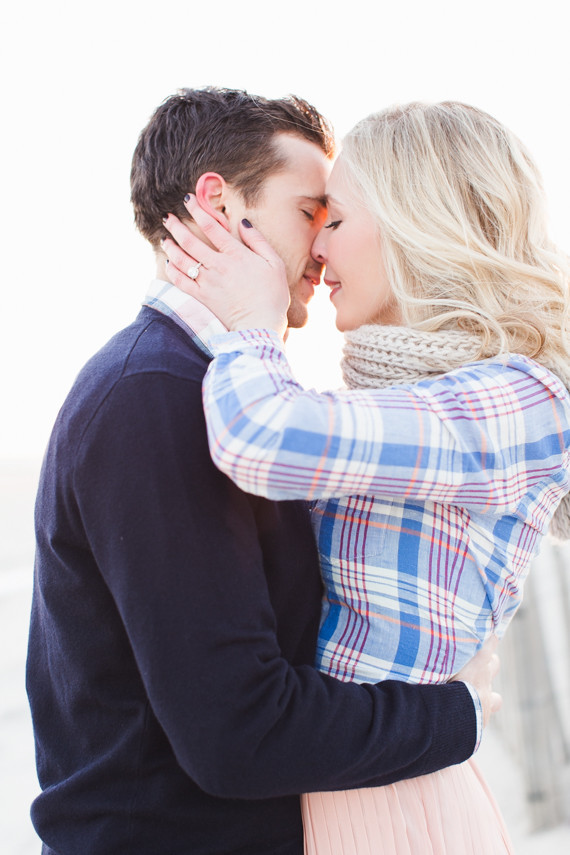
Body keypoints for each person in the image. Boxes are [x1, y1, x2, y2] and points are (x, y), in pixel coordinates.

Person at [26, 90, 498, 855]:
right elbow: (238, 732)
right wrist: (458, 714)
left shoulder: (199, 388)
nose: (323, 245)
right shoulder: (155, 395)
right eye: (310, 211)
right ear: (218, 204)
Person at [161, 101, 570, 853]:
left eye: (335, 217)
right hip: (347, 787)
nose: (315, 246)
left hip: (397, 805)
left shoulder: (522, 399)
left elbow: (260, 436)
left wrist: (251, 326)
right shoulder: (393, 403)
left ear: (421, 223)